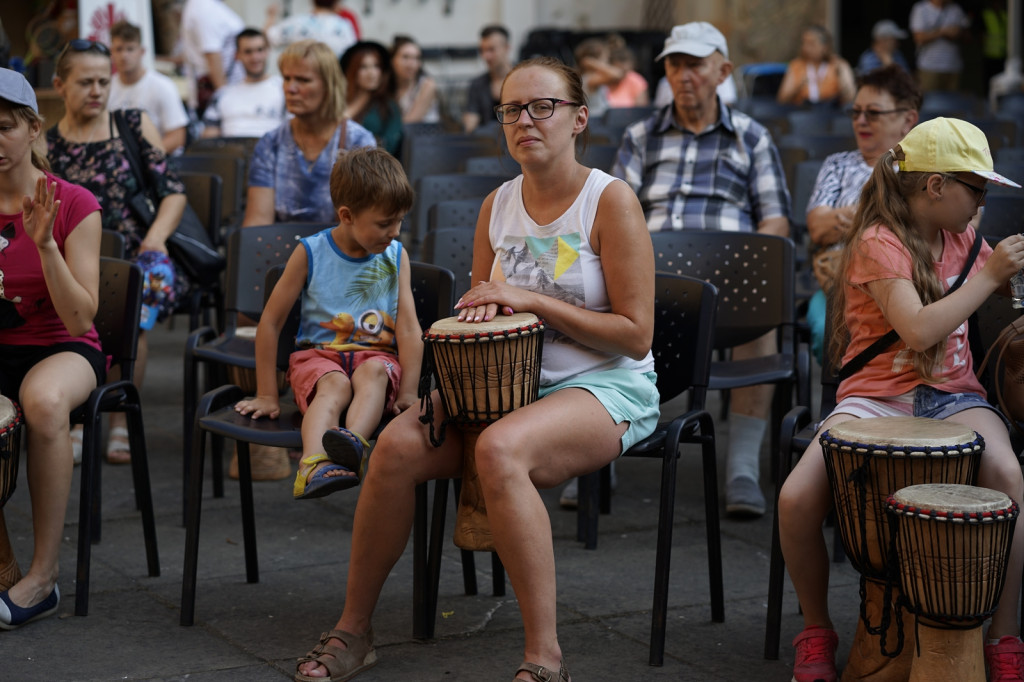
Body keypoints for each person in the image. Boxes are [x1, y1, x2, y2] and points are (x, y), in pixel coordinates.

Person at [292, 55, 658, 682]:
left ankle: (545, 659)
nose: (525, 120)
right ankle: (354, 630)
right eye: (512, 109)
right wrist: (446, 369)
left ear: (578, 119)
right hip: (503, 386)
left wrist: (534, 300)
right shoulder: (497, 205)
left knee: (499, 450)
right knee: (395, 449)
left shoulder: (609, 201)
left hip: (602, 384)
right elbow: (484, 314)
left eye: (543, 106)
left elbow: (635, 334)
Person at [777, 116, 1024, 682]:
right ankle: (816, 630)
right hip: (876, 401)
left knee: (1009, 478)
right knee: (794, 501)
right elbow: (917, 330)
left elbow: (980, 300)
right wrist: (988, 277)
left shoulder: (964, 236)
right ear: (936, 186)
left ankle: (1004, 633)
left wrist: (1004, 284)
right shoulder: (876, 242)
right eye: (977, 189)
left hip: (953, 395)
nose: (983, 203)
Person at [611, 21, 790, 519]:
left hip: (731, 278)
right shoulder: (640, 135)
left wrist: (756, 260)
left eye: (694, 64)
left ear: (723, 71)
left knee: (762, 312)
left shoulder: (752, 137)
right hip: (652, 278)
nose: (682, 74)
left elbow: (774, 217)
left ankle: (742, 469)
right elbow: (611, 213)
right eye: (674, 64)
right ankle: (599, 447)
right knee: (600, 306)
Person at [234, 148, 421, 499]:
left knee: (374, 374)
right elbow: (271, 323)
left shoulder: (396, 257)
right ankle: (312, 465)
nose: (394, 232)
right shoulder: (310, 252)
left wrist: (409, 391)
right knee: (334, 385)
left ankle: (352, 444)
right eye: (384, 223)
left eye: (400, 222)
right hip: (319, 357)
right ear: (347, 215)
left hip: (374, 358)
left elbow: (409, 329)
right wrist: (266, 393)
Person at [47, 39, 189, 465]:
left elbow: (173, 193)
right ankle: (74, 419)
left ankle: (120, 421)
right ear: (60, 85)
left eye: (103, 82)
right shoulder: (47, 146)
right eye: (85, 82)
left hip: (131, 251)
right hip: (72, 258)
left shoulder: (132, 124)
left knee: (133, 306)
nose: (96, 90)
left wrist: (157, 238)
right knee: (64, 314)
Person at [0, 68, 103, 629]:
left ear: (34, 128)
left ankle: (43, 576)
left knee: (41, 401)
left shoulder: (74, 202)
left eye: (4, 128)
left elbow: (81, 315)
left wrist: (44, 247)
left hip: (63, 346)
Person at [805, 65, 921, 364]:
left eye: (873, 113)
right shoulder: (837, 164)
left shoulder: (919, 170)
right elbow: (817, 227)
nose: (860, 121)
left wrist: (848, 219)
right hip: (839, 283)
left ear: (908, 119)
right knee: (822, 330)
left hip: (906, 283)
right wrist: (883, 217)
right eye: (855, 112)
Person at [243, 39, 376, 227]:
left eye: (303, 80)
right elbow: (257, 225)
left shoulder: (358, 142)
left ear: (329, 86)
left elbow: (361, 227)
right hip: (280, 250)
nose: (290, 88)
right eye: (287, 78)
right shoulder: (270, 143)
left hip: (338, 251)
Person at [108, 20, 189, 154]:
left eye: (130, 49)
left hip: (158, 163)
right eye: (119, 49)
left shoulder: (163, 86)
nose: (124, 56)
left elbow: (177, 137)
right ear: (111, 52)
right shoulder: (106, 87)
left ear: (142, 51)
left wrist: (146, 159)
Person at [201, 28, 287, 139]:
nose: (255, 57)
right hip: (230, 154)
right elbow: (209, 139)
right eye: (248, 52)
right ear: (237, 55)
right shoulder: (222, 95)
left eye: (260, 50)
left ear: (268, 51)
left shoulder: (286, 90)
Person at [180, 0, 245, 116]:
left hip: (233, 92)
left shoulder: (210, 6)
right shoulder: (204, 8)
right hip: (220, 96)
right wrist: (226, 101)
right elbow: (212, 56)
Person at [341, 41, 403, 157]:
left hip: (370, 170)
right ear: (352, 70)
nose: (372, 73)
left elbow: (388, 148)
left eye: (376, 66)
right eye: (363, 67)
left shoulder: (388, 106)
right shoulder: (337, 102)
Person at [777, 24, 856, 107]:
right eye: (804, 43)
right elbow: (782, 99)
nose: (806, 47)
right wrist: (800, 85)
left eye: (812, 43)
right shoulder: (797, 65)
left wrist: (841, 76)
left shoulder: (838, 65)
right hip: (802, 112)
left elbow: (850, 97)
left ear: (825, 46)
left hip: (831, 112)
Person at [910, 0, 970, 92]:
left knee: (951, 103)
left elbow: (968, 37)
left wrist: (958, 33)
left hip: (953, 67)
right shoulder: (921, 8)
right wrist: (942, 32)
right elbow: (918, 37)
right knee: (928, 102)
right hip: (929, 67)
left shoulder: (956, 9)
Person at [264, 0, 357, 59]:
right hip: (333, 84)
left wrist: (271, 16)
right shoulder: (344, 26)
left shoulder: (297, 23)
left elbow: (266, 38)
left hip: (301, 84)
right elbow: (353, 55)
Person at [462, 24, 513, 133]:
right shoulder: (477, 84)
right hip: (488, 145)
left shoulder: (523, 79)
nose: (486, 56)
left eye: (491, 50)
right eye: (482, 50)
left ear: (506, 48)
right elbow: (470, 123)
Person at [391, 35, 440, 124]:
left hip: (424, 136)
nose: (411, 64)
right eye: (405, 57)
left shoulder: (427, 85)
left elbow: (410, 122)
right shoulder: (386, 85)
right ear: (392, 60)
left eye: (416, 58)